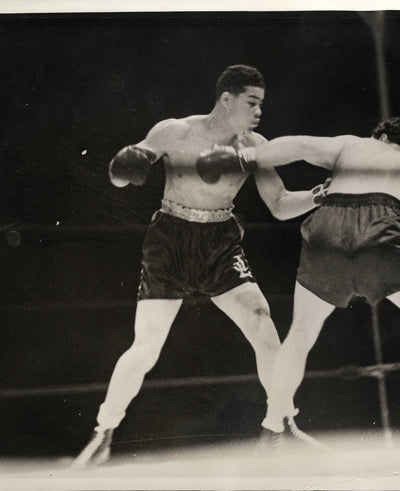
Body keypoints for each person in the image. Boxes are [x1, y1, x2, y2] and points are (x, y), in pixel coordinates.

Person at [196, 116, 400, 442]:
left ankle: (273, 428)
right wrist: (370, 275)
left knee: (300, 334)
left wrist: (244, 159)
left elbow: (299, 145)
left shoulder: (356, 144)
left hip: (329, 225)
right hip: (385, 236)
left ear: (379, 137)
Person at [72, 65, 329, 469]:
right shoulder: (174, 132)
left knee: (263, 323)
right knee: (146, 346)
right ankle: (103, 432)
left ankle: (281, 426)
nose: (260, 111)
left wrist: (319, 194)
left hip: (220, 243)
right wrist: (123, 170)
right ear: (226, 99)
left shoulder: (256, 146)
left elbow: (279, 204)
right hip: (170, 242)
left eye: (262, 103)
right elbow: (122, 174)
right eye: (252, 102)